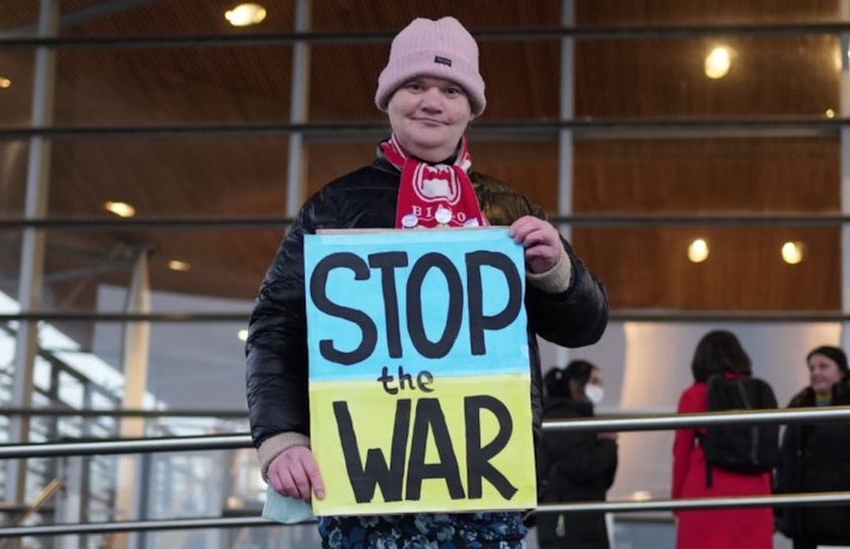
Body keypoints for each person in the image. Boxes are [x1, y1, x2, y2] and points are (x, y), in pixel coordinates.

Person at [245, 15, 610, 549]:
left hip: (482, 486)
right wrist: (281, 440)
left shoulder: (513, 212)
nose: (432, 101)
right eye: (415, 85)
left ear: (471, 107)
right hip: (365, 492)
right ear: (389, 98)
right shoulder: (332, 208)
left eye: (451, 89)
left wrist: (557, 270)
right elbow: (275, 326)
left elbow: (585, 326)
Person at [775, 345, 850, 549]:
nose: (816, 373)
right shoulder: (799, 409)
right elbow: (786, 465)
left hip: (847, 528)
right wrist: (778, 511)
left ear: (842, 371)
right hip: (805, 528)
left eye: (823, 366)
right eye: (811, 368)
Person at [670, 330, 774, 549]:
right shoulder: (757, 392)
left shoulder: (695, 395)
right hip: (756, 494)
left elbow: (682, 451)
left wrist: (677, 501)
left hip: (708, 494)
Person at [535, 360, 617, 549]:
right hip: (566, 528)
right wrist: (608, 443)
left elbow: (604, 477)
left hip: (586, 525)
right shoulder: (560, 418)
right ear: (575, 383)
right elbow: (581, 466)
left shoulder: (583, 418)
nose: (599, 388)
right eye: (594, 382)